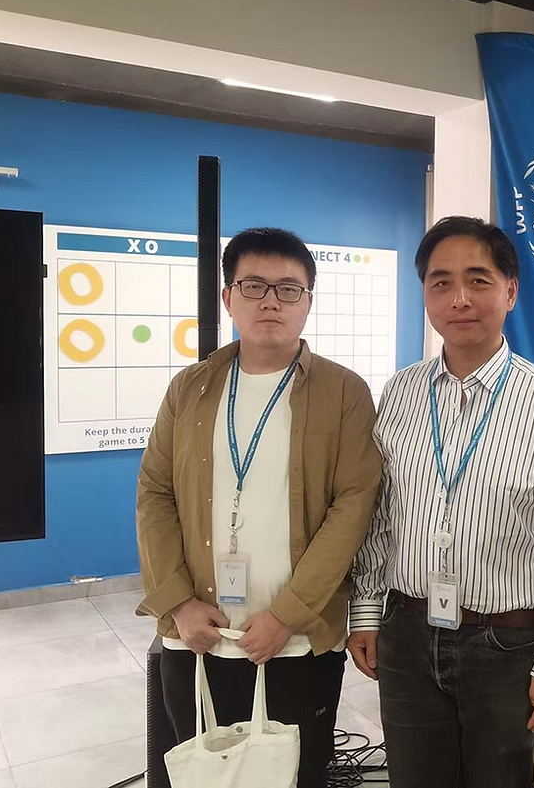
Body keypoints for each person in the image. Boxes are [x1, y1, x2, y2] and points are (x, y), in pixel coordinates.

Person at [347, 216, 534, 788]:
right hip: (407, 630)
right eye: (441, 283)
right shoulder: (399, 392)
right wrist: (365, 612)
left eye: (478, 280)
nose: (459, 299)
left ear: (511, 291)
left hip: (505, 644)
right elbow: (379, 514)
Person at [135, 227, 382, 788]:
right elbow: (154, 493)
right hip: (196, 635)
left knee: (296, 775)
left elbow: (354, 505)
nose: (271, 300)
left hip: (295, 641)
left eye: (289, 289)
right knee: (201, 773)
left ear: (309, 302)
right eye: (253, 285)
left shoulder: (344, 393)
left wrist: (287, 614)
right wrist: (176, 603)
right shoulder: (190, 388)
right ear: (228, 297)